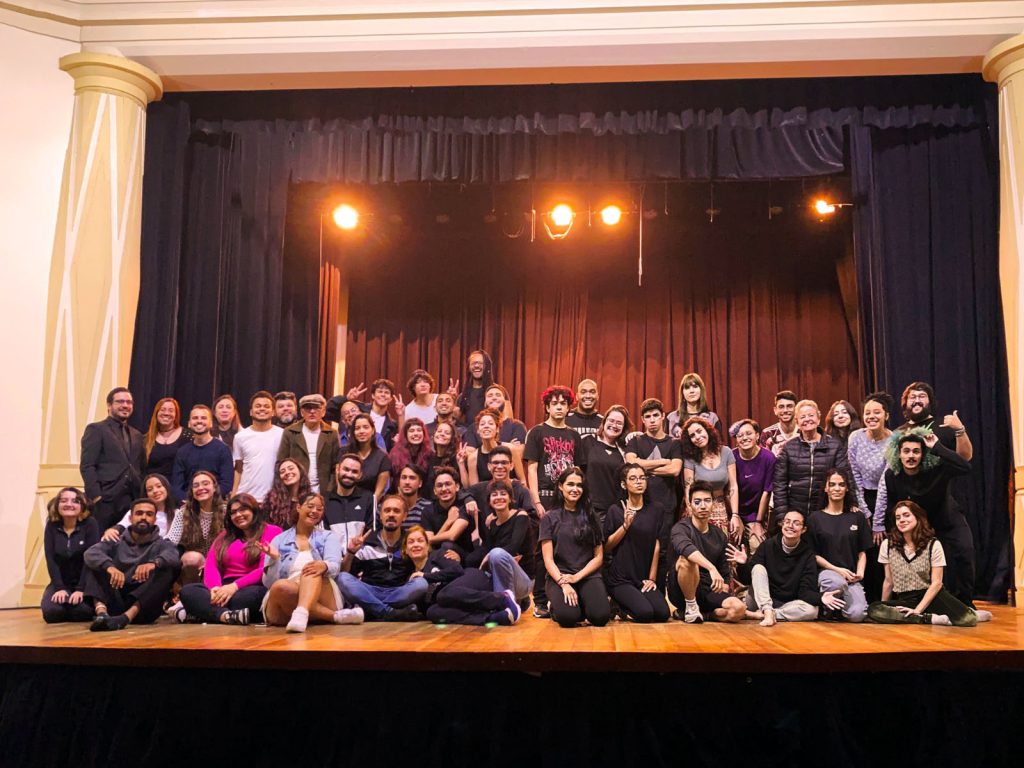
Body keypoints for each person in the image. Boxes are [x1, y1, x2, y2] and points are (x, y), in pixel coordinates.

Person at [882, 430, 976, 607]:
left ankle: (966, 604)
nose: (911, 456)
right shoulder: (892, 476)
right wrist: (893, 533)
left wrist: (937, 447)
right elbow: (893, 506)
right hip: (921, 525)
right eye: (906, 451)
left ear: (922, 454)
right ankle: (933, 604)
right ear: (899, 454)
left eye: (916, 451)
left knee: (964, 553)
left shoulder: (936, 470)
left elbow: (965, 467)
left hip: (948, 519)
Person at [261, 492, 364, 631]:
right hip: (282, 602)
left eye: (319, 509)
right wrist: (275, 559)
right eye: (310, 506)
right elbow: (268, 583)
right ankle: (334, 617)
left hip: (321, 592)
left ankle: (301, 612)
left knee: (312, 569)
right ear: (298, 507)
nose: (314, 511)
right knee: (280, 587)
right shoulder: (279, 539)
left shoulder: (328, 536)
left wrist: (324, 565)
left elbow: (335, 567)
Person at [525, 386, 585, 618]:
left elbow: (578, 470)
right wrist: (536, 501)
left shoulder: (573, 435)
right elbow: (532, 468)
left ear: (569, 407)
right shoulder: (537, 432)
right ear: (547, 407)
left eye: (563, 403)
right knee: (543, 551)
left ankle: (562, 595)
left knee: (567, 547)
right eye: (555, 403)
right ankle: (540, 601)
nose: (559, 407)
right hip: (546, 498)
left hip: (568, 499)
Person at [868, 501, 977, 627]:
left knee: (968, 619)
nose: (902, 520)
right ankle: (927, 618)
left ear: (917, 517)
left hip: (933, 596)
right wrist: (884, 607)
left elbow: (937, 583)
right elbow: (888, 581)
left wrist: (918, 610)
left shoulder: (933, 544)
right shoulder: (887, 545)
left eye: (906, 515)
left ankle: (968, 612)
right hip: (906, 598)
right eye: (898, 518)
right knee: (874, 609)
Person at [178, 493, 280, 625]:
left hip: (250, 587)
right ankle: (225, 615)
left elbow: (265, 569)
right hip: (222, 587)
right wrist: (215, 589)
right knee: (188, 591)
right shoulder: (225, 536)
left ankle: (203, 612)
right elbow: (211, 564)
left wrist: (234, 587)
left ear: (254, 510)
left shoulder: (272, 531)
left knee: (255, 596)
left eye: (243, 510)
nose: (238, 515)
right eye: (233, 512)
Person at [83, 498, 180, 631]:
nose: (143, 517)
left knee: (166, 569)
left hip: (143, 607)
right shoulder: (115, 540)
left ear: (155, 520)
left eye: (149, 514)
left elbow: (174, 556)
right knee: (95, 563)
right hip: (115, 598)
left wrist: (154, 563)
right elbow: (90, 553)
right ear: (130, 518)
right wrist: (110, 567)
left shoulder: (162, 543)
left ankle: (126, 618)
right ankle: (102, 615)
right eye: (139, 513)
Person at [337, 495, 428, 621]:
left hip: (399, 592)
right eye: (387, 510)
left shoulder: (409, 541)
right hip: (370, 590)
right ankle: (390, 612)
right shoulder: (366, 541)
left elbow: (422, 567)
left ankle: (373, 609)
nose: (391, 514)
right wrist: (350, 552)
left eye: (396, 511)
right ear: (380, 515)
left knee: (421, 584)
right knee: (342, 578)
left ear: (404, 516)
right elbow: (345, 572)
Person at [539, 467, 610, 628]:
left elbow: (598, 557)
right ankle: (556, 607)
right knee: (569, 618)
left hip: (587, 575)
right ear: (560, 486)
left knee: (600, 617)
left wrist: (576, 577)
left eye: (579, 485)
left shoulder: (592, 516)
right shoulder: (549, 517)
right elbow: (548, 560)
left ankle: (584, 603)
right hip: (560, 576)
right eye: (570, 484)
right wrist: (564, 583)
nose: (575, 489)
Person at [624, 397, 683, 587]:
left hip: (666, 505)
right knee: (637, 548)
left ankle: (658, 591)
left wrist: (644, 467)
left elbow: (675, 470)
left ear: (663, 416)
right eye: (647, 416)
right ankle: (635, 589)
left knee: (663, 550)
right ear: (642, 419)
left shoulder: (674, 443)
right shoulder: (636, 441)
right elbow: (631, 464)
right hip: (640, 503)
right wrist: (663, 462)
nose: (652, 420)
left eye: (655, 415)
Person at [669, 481, 747, 624]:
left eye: (707, 501)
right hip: (682, 591)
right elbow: (686, 548)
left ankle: (703, 615)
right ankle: (691, 608)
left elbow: (724, 573)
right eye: (697, 502)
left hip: (709, 589)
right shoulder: (680, 528)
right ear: (690, 505)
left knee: (738, 609)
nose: (703, 506)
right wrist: (711, 568)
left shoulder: (719, 535)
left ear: (713, 505)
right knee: (687, 560)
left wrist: (725, 584)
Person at [603, 465, 670, 623]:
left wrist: (652, 578)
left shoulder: (656, 509)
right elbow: (607, 546)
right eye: (633, 478)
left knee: (662, 614)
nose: (639, 482)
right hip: (620, 579)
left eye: (642, 478)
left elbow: (657, 544)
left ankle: (628, 603)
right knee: (645, 613)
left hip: (643, 577)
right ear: (623, 484)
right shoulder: (615, 510)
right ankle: (618, 603)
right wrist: (625, 526)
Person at [730, 509, 820, 625]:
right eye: (787, 522)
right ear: (782, 524)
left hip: (787, 604)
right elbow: (747, 580)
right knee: (758, 568)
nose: (790, 526)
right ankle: (767, 611)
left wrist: (821, 598)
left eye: (796, 523)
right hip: (759, 600)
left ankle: (763, 615)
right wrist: (743, 564)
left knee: (812, 611)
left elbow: (805, 592)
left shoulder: (807, 554)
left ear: (803, 529)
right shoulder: (768, 546)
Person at [772, 399, 850, 525]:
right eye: (802, 417)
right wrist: (782, 515)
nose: (807, 419)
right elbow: (779, 483)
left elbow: (845, 477)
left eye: (811, 415)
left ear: (818, 419)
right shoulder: (789, 447)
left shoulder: (834, 446)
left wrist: (852, 504)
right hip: (795, 512)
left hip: (825, 510)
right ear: (797, 422)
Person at [806, 469, 871, 622]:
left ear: (847, 488)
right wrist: (837, 570)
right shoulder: (815, 518)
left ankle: (840, 610)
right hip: (827, 574)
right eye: (832, 484)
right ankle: (827, 609)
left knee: (858, 615)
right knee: (836, 582)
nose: (837, 488)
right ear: (826, 488)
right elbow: (813, 555)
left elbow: (862, 551)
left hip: (851, 578)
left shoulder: (857, 516)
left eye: (841, 485)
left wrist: (860, 573)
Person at [847, 392, 894, 600]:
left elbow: (885, 482)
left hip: (885, 497)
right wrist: (864, 511)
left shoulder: (893, 440)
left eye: (877, 412)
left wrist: (878, 521)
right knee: (863, 545)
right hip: (861, 497)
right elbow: (854, 475)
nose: (871, 416)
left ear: (886, 415)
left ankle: (883, 599)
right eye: (867, 412)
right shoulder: (855, 437)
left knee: (881, 544)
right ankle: (862, 598)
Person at [79, 386, 145, 530]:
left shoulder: (138, 435)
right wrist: (96, 496)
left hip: (131, 500)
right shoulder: (96, 429)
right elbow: (87, 465)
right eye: (120, 401)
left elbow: (140, 466)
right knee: (101, 540)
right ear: (109, 405)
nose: (125, 405)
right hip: (105, 501)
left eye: (129, 402)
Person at [41, 487, 99, 623]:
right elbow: (51, 559)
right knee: (52, 613)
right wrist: (59, 588)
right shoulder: (51, 525)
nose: (69, 504)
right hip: (61, 582)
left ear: (82, 506)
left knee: (82, 612)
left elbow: (91, 559)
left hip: (84, 582)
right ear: (57, 505)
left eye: (75, 501)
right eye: (63, 500)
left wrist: (80, 589)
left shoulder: (90, 524)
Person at [680, 416, 740, 541]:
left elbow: (733, 486)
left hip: (720, 505)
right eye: (692, 436)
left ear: (707, 431)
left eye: (699, 431)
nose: (697, 437)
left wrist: (735, 514)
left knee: (723, 543)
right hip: (698, 506)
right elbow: (688, 487)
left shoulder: (726, 452)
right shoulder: (690, 457)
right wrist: (692, 511)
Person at [276, 393, 340, 495]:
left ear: (323, 412)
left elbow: (335, 466)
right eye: (308, 408)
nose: (312, 411)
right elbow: (281, 462)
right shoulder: (290, 432)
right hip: (296, 490)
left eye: (316, 408)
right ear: (302, 412)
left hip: (323, 491)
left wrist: (329, 490)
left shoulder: (331, 433)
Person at [166, 470, 225, 581]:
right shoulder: (184, 513)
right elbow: (171, 541)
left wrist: (211, 562)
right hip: (194, 565)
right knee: (191, 558)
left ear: (214, 488)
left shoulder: (227, 512)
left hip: (221, 560)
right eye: (196, 486)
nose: (200, 488)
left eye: (205, 484)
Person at [171, 404, 234, 501]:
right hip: (189, 504)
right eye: (195, 418)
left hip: (216, 503)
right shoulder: (182, 452)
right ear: (189, 423)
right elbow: (177, 486)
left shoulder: (223, 449)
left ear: (211, 423)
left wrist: (207, 499)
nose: (199, 421)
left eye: (204, 418)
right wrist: (192, 502)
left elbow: (226, 484)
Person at [580, 405, 631, 524]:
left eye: (619, 423)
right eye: (611, 420)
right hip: (589, 508)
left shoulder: (625, 450)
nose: (614, 425)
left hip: (615, 510)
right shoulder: (587, 441)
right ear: (604, 421)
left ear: (624, 428)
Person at [897, 381, 973, 460]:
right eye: (912, 397)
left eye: (922, 396)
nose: (917, 400)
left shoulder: (945, 425)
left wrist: (959, 430)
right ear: (906, 402)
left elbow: (965, 458)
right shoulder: (898, 433)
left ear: (930, 401)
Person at [231, 390, 284, 501]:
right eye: (258, 406)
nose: (262, 409)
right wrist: (234, 494)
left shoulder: (282, 435)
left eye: (266, 406)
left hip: (274, 498)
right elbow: (238, 469)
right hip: (246, 497)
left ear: (273, 412)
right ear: (251, 412)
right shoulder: (240, 437)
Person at [730, 419, 774, 550]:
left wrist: (758, 522)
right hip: (734, 512)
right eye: (740, 435)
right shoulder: (731, 456)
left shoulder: (768, 458)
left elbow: (767, 492)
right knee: (731, 542)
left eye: (749, 433)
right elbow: (729, 490)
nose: (745, 438)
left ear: (757, 435)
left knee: (757, 545)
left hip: (756, 514)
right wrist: (735, 515)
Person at [324, 454, 375, 552]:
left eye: (354, 472)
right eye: (346, 469)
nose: (349, 474)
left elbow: (371, 532)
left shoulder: (368, 498)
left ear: (360, 475)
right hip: (334, 558)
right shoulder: (325, 501)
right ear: (337, 469)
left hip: (361, 557)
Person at [105, 472, 177, 541]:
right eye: (150, 489)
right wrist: (112, 530)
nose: (155, 491)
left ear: (166, 488)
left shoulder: (177, 514)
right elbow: (121, 527)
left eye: (159, 486)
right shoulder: (137, 512)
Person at [422, 467, 477, 557]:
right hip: (436, 554)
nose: (444, 489)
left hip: (465, 554)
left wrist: (429, 540)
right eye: (439, 486)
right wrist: (449, 521)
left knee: (446, 545)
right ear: (435, 491)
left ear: (457, 487)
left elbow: (452, 535)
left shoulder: (463, 505)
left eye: (448, 484)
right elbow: (429, 546)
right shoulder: (428, 511)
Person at [347, 413, 392, 501]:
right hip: (345, 501)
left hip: (370, 502)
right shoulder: (344, 452)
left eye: (366, 427)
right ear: (353, 432)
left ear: (373, 431)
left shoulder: (382, 457)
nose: (361, 431)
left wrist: (369, 506)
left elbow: (379, 491)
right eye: (357, 428)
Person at [142, 397, 191, 478]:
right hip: (153, 485)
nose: (166, 413)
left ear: (176, 415)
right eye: (162, 410)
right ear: (156, 413)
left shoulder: (188, 437)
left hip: (179, 485)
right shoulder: (145, 439)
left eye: (171, 410)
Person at [465, 408, 516, 485]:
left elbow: (522, 481)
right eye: (482, 424)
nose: (486, 426)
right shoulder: (473, 458)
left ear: (497, 429)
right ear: (478, 430)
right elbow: (474, 489)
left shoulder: (510, 449)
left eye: (490, 423)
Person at [667, 372, 721, 438]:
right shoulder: (671, 417)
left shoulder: (712, 418)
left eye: (695, 386)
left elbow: (718, 442)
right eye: (687, 388)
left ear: (701, 390)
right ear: (682, 393)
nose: (691, 391)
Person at [264, 459, 311, 529]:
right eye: (282, 471)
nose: (287, 472)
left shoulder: (310, 498)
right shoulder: (272, 501)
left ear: (300, 471)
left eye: (291, 468)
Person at [388, 417, 434, 488]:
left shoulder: (429, 453)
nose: (416, 433)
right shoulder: (395, 453)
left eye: (419, 430)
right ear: (405, 435)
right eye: (412, 431)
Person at [456, 349, 494, 425]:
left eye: (480, 363)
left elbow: (508, 420)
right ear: (469, 368)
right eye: (473, 363)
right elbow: (459, 423)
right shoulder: (463, 396)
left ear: (487, 366)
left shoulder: (497, 392)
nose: (476, 366)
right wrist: (452, 399)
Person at [427, 420, 464, 492]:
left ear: (452, 439)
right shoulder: (429, 458)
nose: (442, 434)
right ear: (434, 435)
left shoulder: (457, 459)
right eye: (439, 431)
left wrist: (461, 464)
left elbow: (465, 486)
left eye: (447, 433)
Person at [758, 390, 799, 456]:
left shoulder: (804, 431)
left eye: (789, 406)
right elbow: (764, 460)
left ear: (796, 409)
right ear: (775, 410)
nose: (785, 410)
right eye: (781, 407)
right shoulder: (768, 433)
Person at [367, 378, 400, 451]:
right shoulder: (361, 411)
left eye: (387, 392)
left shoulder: (393, 426)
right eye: (380, 391)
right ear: (373, 395)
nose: (383, 395)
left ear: (391, 398)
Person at [397, 464, 433, 529]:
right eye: (404, 477)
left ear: (420, 483)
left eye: (412, 478)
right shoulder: (387, 506)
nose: (407, 482)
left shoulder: (428, 507)